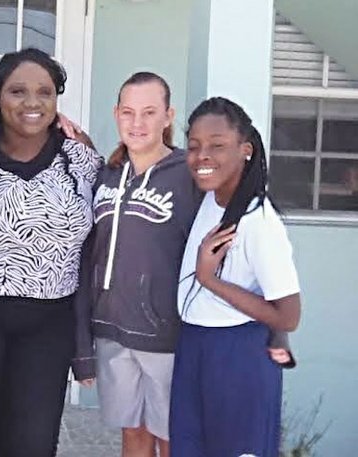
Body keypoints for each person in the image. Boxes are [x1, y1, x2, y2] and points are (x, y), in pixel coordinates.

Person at [0, 47, 103, 457]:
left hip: (50, 324)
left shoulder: (82, 160)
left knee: (33, 442)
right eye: (18, 91)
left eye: (45, 92)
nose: (32, 103)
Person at [74, 72, 201, 457]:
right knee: (133, 433)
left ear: (168, 116)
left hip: (167, 336)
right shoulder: (105, 174)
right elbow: (87, 254)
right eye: (128, 112)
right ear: (116, 114)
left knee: (172, 437)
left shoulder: (189, 175)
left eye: (149, 112)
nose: (137, 123)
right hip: (113, 331)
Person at [170, 97, 302, 457]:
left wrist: (210, 280)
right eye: (194, 146)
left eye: (217, 146)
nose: (202, 157)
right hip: (195, 345)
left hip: (238, 355)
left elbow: (289, 316)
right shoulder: (214, 198)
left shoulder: (259, 224)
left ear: (245, 150)